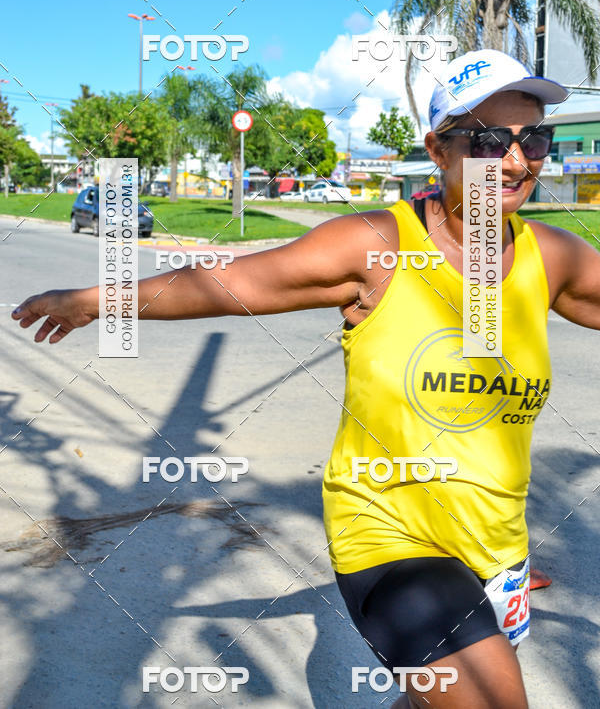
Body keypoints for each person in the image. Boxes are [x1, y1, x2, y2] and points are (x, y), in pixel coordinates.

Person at [12, 50, 600, 707]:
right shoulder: (375, 246)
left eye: (534, 138)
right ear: (438, 149)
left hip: (496, 547)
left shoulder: (552, 259)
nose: (517, 162)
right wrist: (95, 300)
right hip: (388, 534)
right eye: (489, 140)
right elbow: (230, 284)